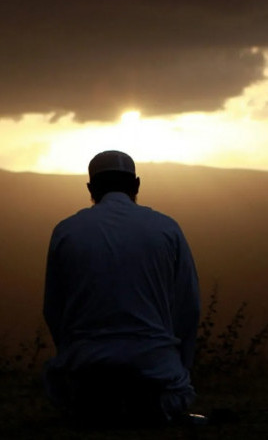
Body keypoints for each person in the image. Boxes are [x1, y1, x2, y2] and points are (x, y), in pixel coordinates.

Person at [43, 150, 202, 426]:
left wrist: (74, 354)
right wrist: (177, 367)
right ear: (137, 185)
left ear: (90, 188)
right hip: (159, 379)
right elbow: (189, 307)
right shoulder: (167, 229)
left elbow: (53, 309)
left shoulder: (66, 231)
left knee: (81, 396)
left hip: (85, 377)